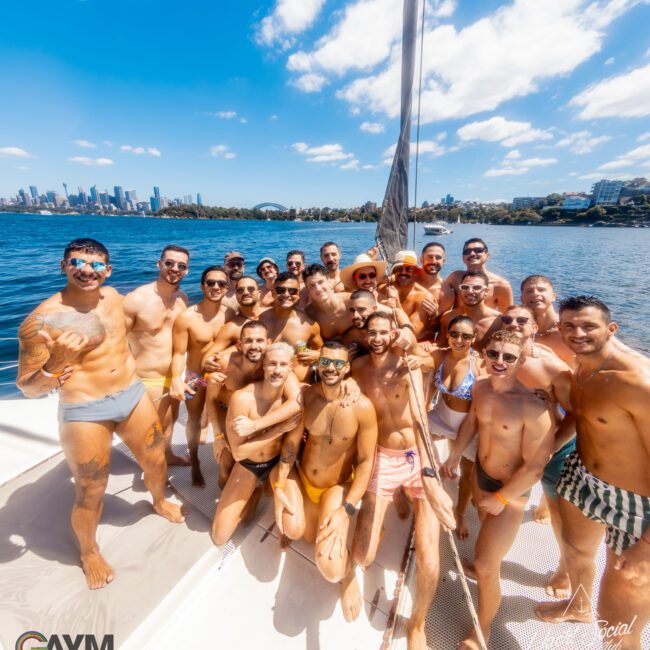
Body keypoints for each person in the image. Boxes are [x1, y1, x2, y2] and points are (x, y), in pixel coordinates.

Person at [16, 238, 185, 590]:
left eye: (95, 266)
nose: (86, 271)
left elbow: (148, 328)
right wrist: (56, 364)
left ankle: (158, 500)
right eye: (77, 263)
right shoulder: (40, 322)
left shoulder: (114, 300)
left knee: (155, 461)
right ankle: (89, 552)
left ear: (107, 271)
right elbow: (28, 388)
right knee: (91, 488)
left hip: (132, 395)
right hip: (85, 410)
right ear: (63, 267)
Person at [534, 296, 650, 650]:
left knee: (616, 621)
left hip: (634, 505)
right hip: (583, 477)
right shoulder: (580, 368)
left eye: (588, 326)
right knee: (574, 550)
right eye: (569, 326)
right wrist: (547, 448)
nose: (577, 333)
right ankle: (578, 605)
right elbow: (579, 417)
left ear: (611, 328)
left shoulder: (637, 381)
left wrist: (647, 546)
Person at [351, 312, 456, 650]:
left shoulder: (409, 365)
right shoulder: (357, 369)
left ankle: (418, 624)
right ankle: (348, 577)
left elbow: (422, 417)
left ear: (393, 333)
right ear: (365, 335)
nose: (378, 338)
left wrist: (429, 472)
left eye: (384, 332)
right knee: (364, 555)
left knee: (429, 557)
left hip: (417, 455)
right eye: (373, 332)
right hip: (382, 457)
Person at [443, 329, 554, 649]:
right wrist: (454, 452)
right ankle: (479, 563)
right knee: (484, 544)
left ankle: (483, 631)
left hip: (511, 490)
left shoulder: (532, 408)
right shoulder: (479, 388)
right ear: (484, 355)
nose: (499, 362)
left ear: (520, 362)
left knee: (488, 565)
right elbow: (471, 424)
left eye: (509, 357)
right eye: (493, 354)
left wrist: (503, 497)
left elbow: (534, 468)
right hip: (483, 476)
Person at [271, 341, 378, 621]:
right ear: (318, 364)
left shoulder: (362, 408)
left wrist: (347, 510)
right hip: (304, 478)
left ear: (347, 368)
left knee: (331, 569)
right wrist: (280, 486)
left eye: (339, 364)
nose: (331, 369)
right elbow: (291, 446)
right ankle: (304, 513)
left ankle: (349, 576)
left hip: (335, 488)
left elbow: (367, 462)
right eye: (326, 362)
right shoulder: (307, 397)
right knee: (296, 532)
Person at [499, 304, 574, 597]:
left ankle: (565, 570)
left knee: (558, 514)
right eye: (508, 319)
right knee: (512, 505)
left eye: (522, 320)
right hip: (514, 448)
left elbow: (575, 414)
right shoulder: (499, 357)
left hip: (553, 448)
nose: (515, 324)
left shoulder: (552, 366)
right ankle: (492, 558)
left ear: (534, 327)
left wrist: (552, 449)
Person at [211, 342, 302, 546]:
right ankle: (255, 488)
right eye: (272, 364)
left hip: (277, 463)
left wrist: (279, 485)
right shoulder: (243, 398)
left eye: (283, 365)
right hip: (248, 464)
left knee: (295, 530)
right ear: (263, 365)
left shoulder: (294, 399)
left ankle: (264, 487)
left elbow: (291, 445)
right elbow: (239, 454)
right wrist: (277, 429)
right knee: (219, 537)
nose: (277, 370)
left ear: (291, 367)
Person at [204, 321, 302, 489]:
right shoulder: (225, 364)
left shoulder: (274, 364)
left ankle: (256, 486)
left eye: (259, 341)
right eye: (249, 341)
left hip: (257, 417)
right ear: (239, 345)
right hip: (230, 419)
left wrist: (255, 425)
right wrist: (218, 436)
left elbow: (296, 402)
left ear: (268, 343)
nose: (254, 346)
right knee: (225, 468)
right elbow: (211, 400)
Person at [123, 245, 191, 466]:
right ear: (159, 264)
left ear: (187, 271)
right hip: (147, 379)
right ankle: (153, 471)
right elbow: (115, 342)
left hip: (175, 376)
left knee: (169, 424)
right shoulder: (136, 300)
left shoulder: (182, 299)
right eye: (169, 263)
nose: (175, 269)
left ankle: (168, 456)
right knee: (151, 433)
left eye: (181, 266)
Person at [170, 266, 234, 487]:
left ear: (227, 288)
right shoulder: (186, 318)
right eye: (211, 283)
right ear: (202, 286)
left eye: (221, 284)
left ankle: (227, 462)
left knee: (226, 421)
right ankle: (195, 461)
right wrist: (177, 378)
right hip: (197, 378)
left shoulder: (231, 315)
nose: (216, 287)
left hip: (223, 379)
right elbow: (178, 353)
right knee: (195, 421)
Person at [427, 315, 483, 539]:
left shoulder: (478, 366)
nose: (459, 340)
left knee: (467, 475)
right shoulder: (439, 355)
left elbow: (474, 417)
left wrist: (456, 453)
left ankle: (460, 513)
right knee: (409, 438)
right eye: (454, 334)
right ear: (447, 334)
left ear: (474, 338)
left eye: (466, 336)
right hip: (440, 416)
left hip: (468, 426)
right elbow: (424, 371)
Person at [259, 272, 322, 382]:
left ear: (298, 295)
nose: (286, 294)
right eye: (280, 290)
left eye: (292, 291)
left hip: (300, 384)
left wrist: (318, 355)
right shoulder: (260, 320)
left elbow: (320, 348)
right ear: (273, 293)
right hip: (267, 382)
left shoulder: (309, 325)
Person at [378, 250, 436, 338]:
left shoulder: (423, 297)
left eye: (409, 269)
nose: (403, 272)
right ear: (394, 271)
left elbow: (412, 333)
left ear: (416, 271)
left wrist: (397, 304)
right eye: (399, 268)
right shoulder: (381, 289)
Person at [520, 275, 575, 367]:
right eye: (529, 291)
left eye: (541, 290)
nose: (535, 294)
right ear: (522, 299)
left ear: (553, 296)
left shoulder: (570, 330)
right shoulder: (517, 328)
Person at [444, 238, 513, 312]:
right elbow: (438, 290)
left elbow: (508, 316)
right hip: (455, 322)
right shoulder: (455, 277)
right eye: (467, 251)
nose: (472, 254)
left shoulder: (501, 285)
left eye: (478, 250)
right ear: (463, 257)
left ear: (487, 255)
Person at [202, 275, 263, 354]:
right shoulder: (231, 328)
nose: (246, 292)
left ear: (259, 292)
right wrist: (234, 348)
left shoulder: (271, 314)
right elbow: (208, 357)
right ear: (236, 295)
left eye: (251, 289)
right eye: (240, 290)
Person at [438, 270, 500, 344]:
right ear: (460, 290)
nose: (470, 291)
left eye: (477, 287)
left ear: (486, 291)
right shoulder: (448, 317)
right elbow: (440, 346)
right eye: (465, 287)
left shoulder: (497, 321)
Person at [304, 263, 352, 339]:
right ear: (308, 290)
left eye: (320, 282)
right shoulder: (309, 313)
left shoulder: (351, 301)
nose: (318, 289)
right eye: (312, 285)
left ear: (330, 281)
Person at [419, 242, 455, 323]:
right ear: (421, 259)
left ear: (443, 261)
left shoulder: (446, 294)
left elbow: (437, 326)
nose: (434, 261)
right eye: (430, 257)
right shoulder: (409, 276)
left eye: (438, 257)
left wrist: (435, 315)